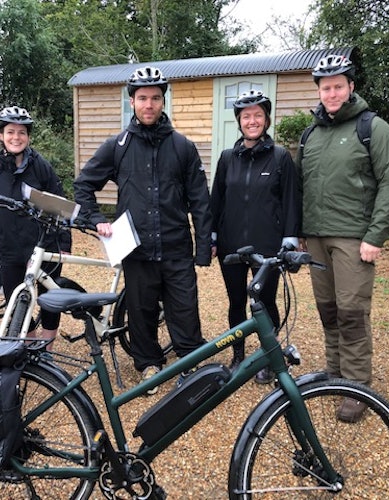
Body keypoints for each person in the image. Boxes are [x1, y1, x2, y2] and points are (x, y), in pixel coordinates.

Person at [74, 66, 212, 394]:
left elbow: (200, 201)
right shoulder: (117, 145)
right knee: (141, 310)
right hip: (135, 248)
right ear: (132, 102)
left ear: (163, 102)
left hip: (176, 246)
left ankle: (188, 363)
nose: (148, 104)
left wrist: (203, 247)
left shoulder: (183, 147)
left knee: (184, 308)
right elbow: (83, 185)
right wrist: (96, 219)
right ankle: (149, 363)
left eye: (155, 98)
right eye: (142, 98)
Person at [296, 54, 389, 421]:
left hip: (354, 238)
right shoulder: (310, 134)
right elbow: (302, 185)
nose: (331, 93)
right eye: (325, 87)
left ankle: (357, 386)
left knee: (352, 312)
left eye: (338, 86)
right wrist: (299, 232)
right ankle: (336, 372)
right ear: (319, 91)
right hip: (315, 237)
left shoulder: (373, 128)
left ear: (351, 87)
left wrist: (376, 235)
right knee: (328, 309)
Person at [210, 90, 300, 384]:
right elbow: (217, 200)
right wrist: (212, 235)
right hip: (231, 242)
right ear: (239, 121)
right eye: (246, 116)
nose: (252, 121)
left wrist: (290, 237)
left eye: (258, 115)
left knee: (264, 301)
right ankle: (238, 355)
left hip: (267, 244)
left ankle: (267, 357)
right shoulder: (227, 158)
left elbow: (290, 200)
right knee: (236, 301)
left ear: (266, 119)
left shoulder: (280, 157)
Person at [0, 106, 72, 350]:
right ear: (2, 135)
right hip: (9, 249)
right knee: (15, 299)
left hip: (43, 245)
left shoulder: (41, 167)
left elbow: (60, 206)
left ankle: (48, 350)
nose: (16, 138)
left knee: (50, 301)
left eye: (22, 132)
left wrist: (64, 245)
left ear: (28, 136)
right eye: (10, 132)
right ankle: (31, 345)